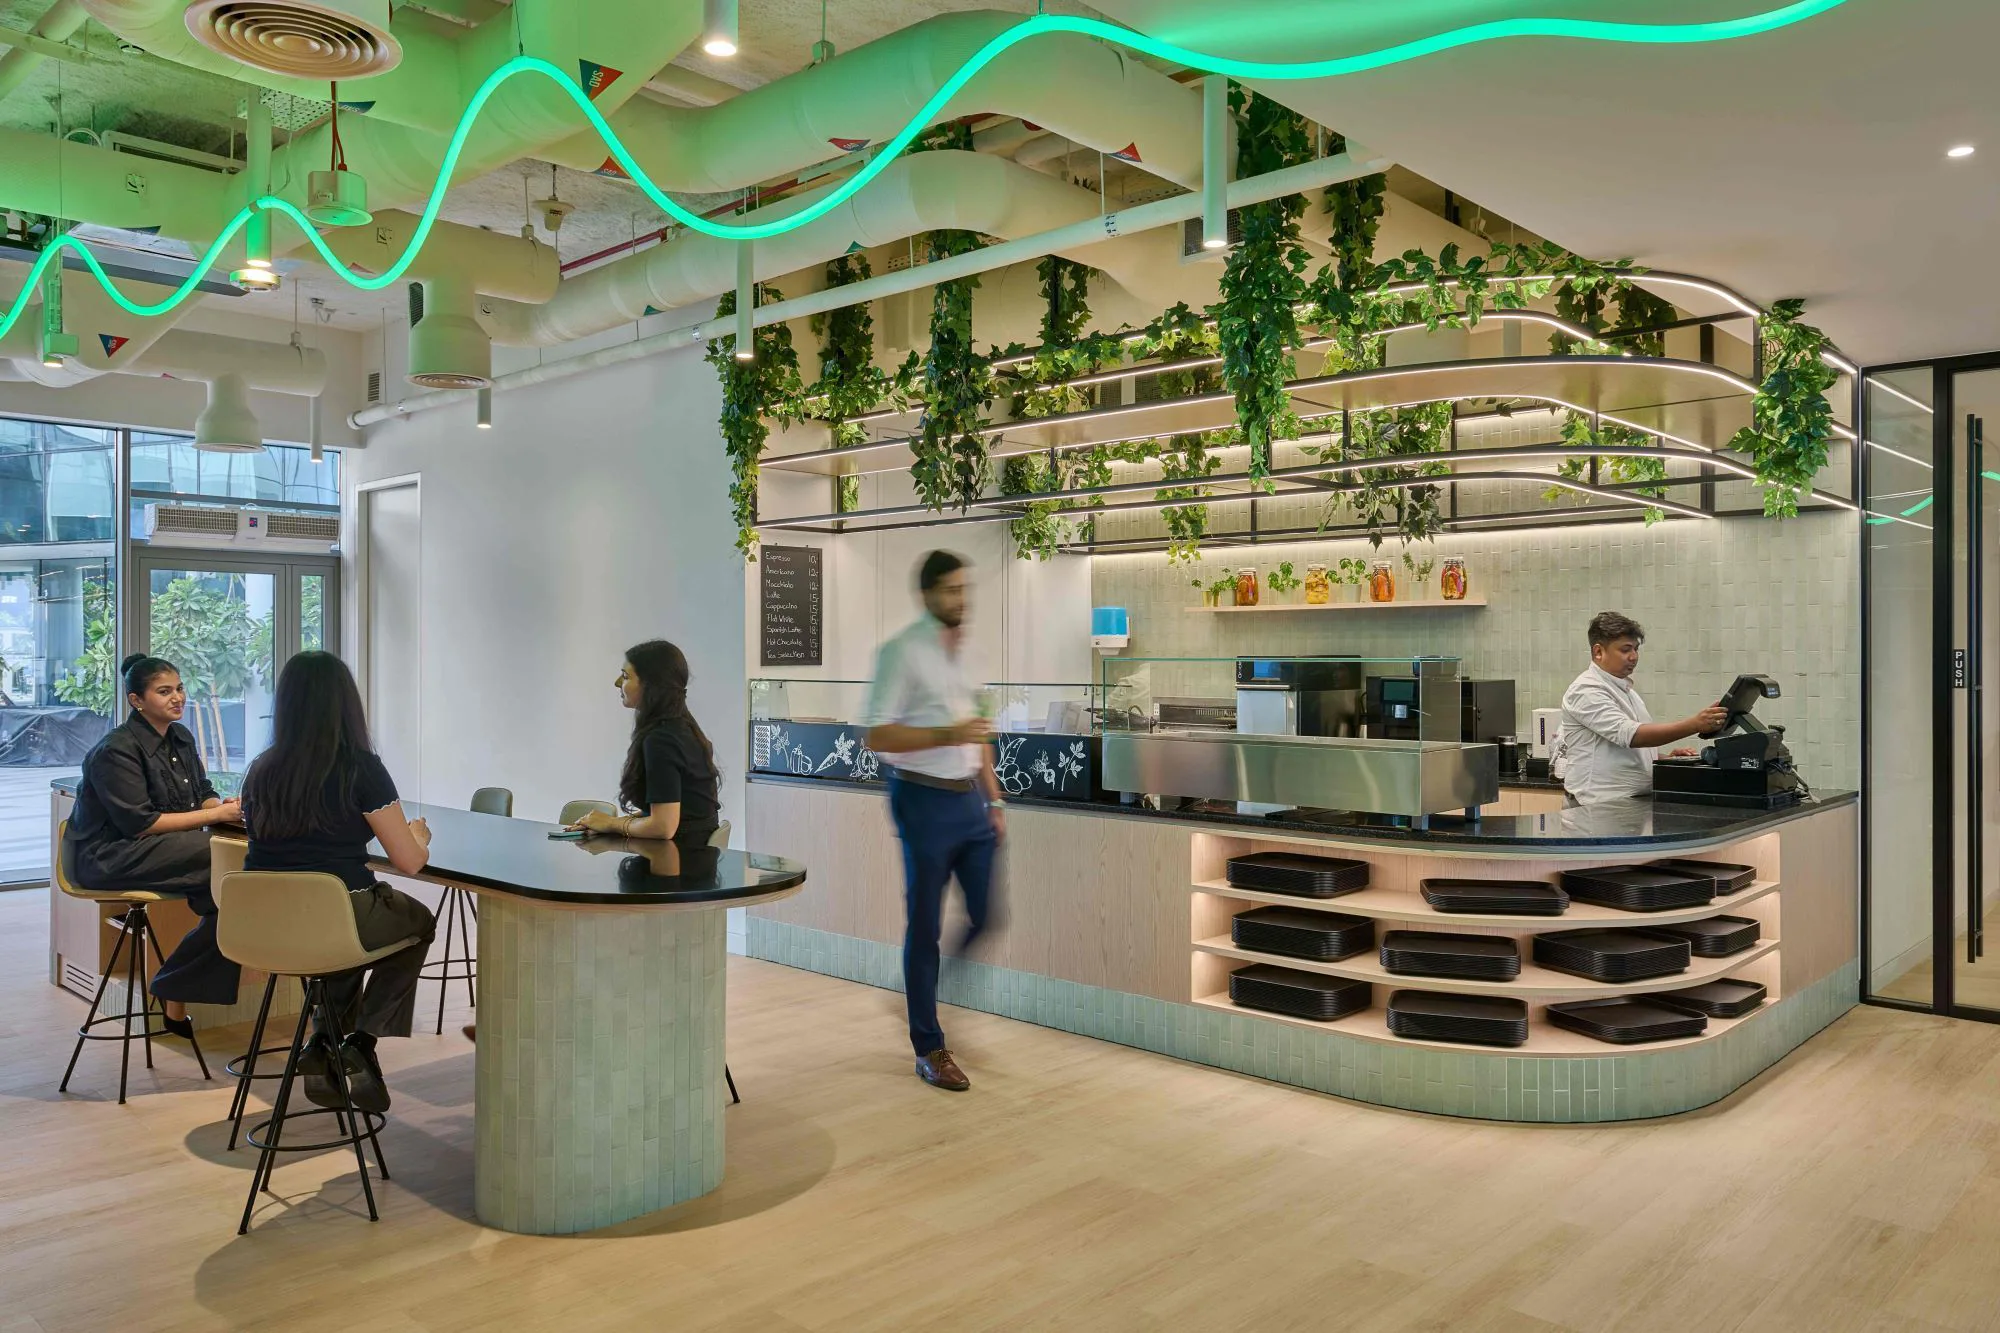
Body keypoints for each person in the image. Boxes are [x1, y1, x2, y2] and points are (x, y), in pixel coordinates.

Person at [239, 651, 436, 1113]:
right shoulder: (361, 768)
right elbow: (409, 862)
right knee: (418, 924)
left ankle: (323, 1041)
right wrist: (419, 837)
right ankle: (361, 1042)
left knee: (337, 948)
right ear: (347, 704)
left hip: (266, 924)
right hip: (338, 911)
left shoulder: (261, 769)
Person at [862, 551, 1004, 1092]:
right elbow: (877, 735)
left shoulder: (970, 654)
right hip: (920, 797)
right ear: (926, 595)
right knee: (924, 926)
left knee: (986, 915)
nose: (960, 599)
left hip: (969, 799)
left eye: (964, 589)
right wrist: (947, 734)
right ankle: (929, 1046)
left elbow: (979, 730)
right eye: (950, 590)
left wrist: (994, 799)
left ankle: (926, 990)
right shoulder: (900, 652)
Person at [63, 653, 242, 1038]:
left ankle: (175, 991)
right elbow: (141, 824)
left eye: (179, 688)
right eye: (164, 691)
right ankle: (173, 987)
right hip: (109, 856)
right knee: (228, 860)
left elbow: (203, 792)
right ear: (136, 700)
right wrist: (216, 816)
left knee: (235, 889)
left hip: (158, 848)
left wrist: (221, 806)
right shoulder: (116, 750)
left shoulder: (181, 737)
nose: (177, 697)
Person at [1555, 612, 1729, 806]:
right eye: (1625, 650)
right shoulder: (1586, 690)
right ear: (1598, 652)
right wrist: (1695, 724)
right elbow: (1631, 736)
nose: (1634, 657)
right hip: (1594, 806)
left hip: (1626, 804)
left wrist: (1665, 758)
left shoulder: (1627, 692)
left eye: (1636, 649)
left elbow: (1622, 752)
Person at [566, 640, 722, 849]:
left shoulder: (661, 740)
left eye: (626, 676)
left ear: (651, 685)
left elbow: (663, 827)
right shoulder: (684, 730)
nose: (617, 683)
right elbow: (679, 812)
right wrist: (612, 823)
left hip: (679, 862)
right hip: (697, 858)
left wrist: (611, 823)